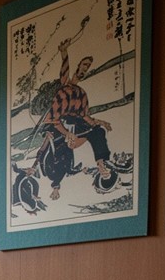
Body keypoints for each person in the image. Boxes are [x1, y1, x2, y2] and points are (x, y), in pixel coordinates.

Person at [32, 39, 116, 199]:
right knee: (63, 154)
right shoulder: (63, 90)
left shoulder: (81, 92)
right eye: (83, 65)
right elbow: (55, 119)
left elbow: (85, 116)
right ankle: (56, 186)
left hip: (76, 126)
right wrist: (64, 52)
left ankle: (102, 163)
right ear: (78, 66)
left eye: (88, 67)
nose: (85, 69)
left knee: (98, 132)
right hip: (59, 126)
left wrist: (99, 122)